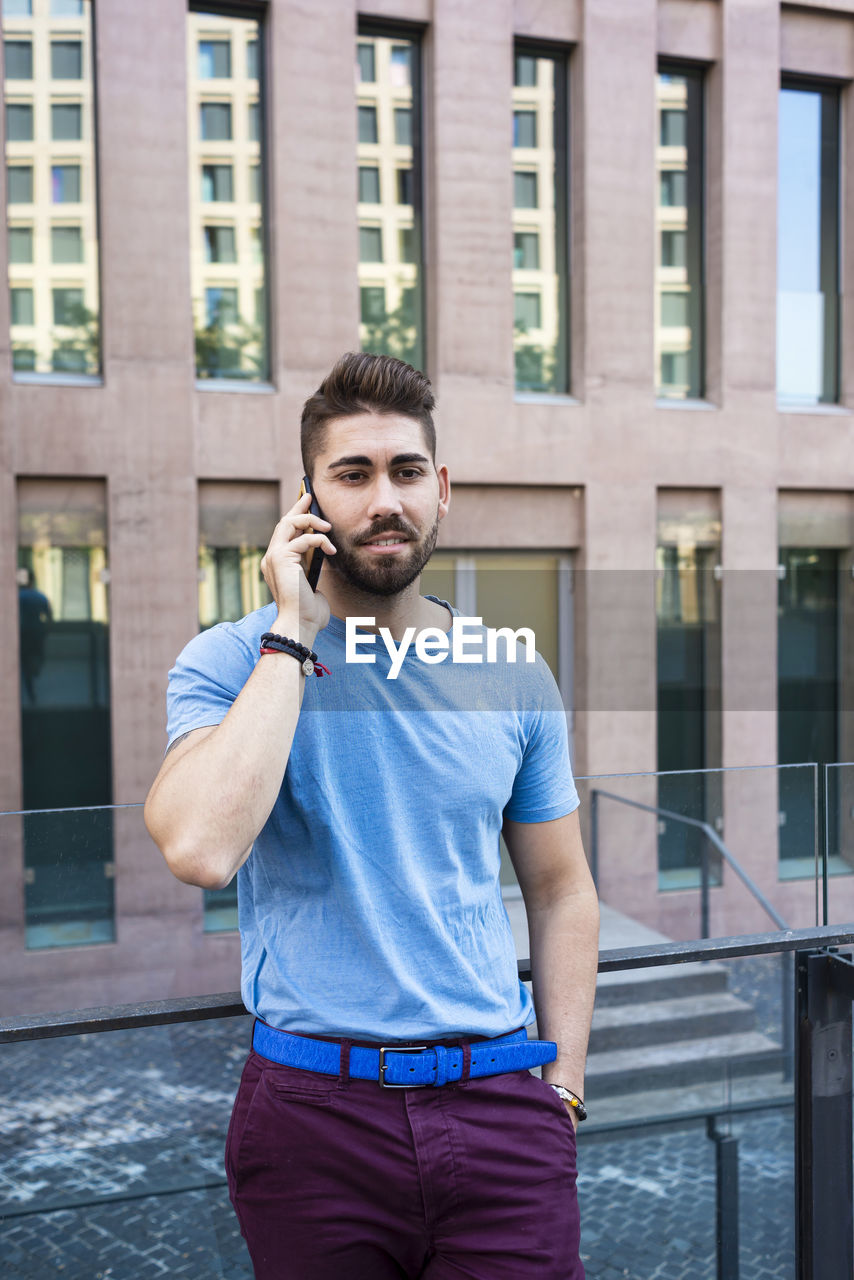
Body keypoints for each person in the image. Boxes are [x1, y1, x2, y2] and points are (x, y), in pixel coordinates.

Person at [144, 352, 599, 1280]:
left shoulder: (513, 671)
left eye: (406, 471)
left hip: (501, 1104)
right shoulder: (228, 662)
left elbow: (562, 890)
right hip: (314, 1119)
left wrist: (565, 1090)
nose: (383, 499)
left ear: (443, 490)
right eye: (352, 475)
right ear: (307, 499)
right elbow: (198, 849)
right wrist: (292, 632)